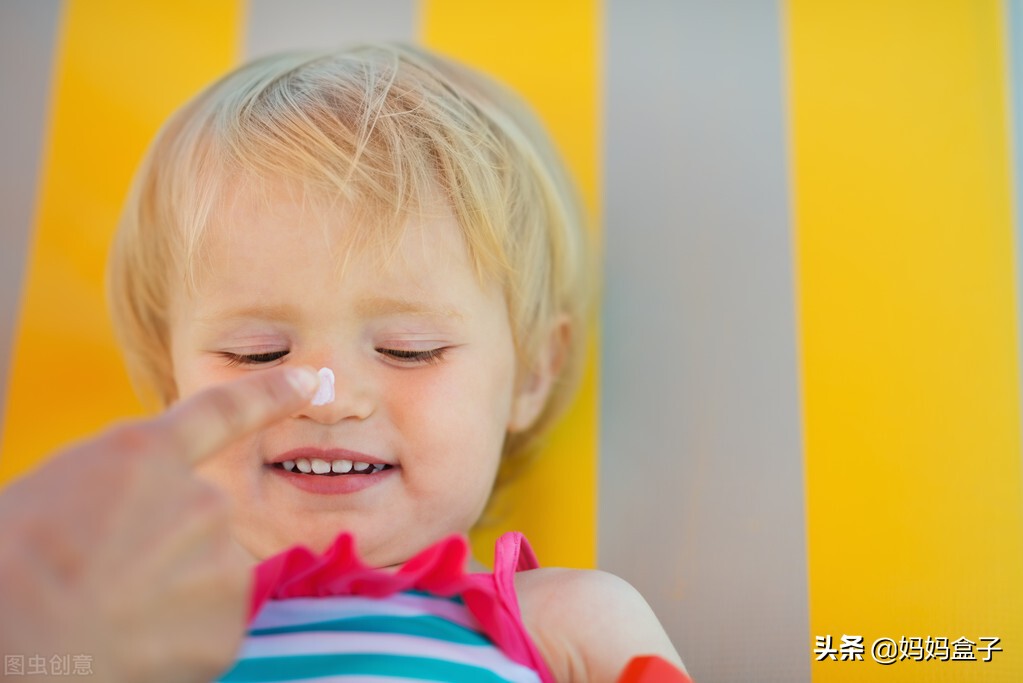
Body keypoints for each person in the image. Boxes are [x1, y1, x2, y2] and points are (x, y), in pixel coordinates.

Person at [104, 42, 685, 682]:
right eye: (257, 353)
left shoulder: (571, 623)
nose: (325, 397)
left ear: (531, 373)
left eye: (408, 349)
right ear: (170, 380)